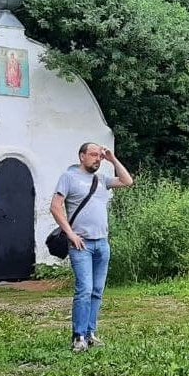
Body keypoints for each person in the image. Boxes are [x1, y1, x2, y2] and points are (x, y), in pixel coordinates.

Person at [50, 142, 133, 353]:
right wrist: (70, 234)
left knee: (97, 291)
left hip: (102, 243)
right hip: (81, 245)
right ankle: (78, 336)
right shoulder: (69, 177)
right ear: (82, 156)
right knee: (85, 289)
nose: (97, 158)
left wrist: (112, 159)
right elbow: (55, 206)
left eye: (99, 156)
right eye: (93, 155)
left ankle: (90, 333)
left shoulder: (101, 180)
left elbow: (127, 181)